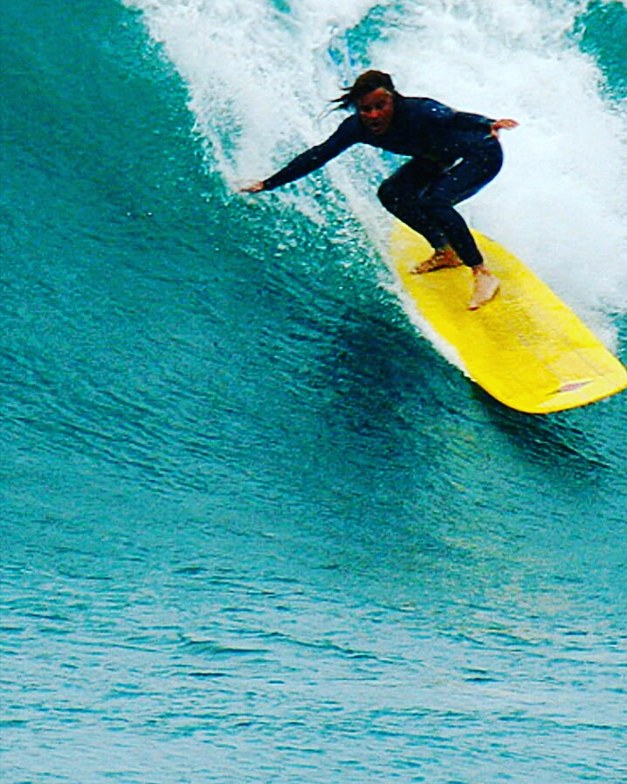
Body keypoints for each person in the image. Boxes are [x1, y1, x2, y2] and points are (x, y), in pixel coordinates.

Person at [242, 70, 518, 310]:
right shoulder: (357, 128)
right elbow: (319, 155)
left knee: (435, 201)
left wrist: (488, 123)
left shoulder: (420, 110)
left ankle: (482, 273)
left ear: (393, 100)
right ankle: (446, 250)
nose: (374, 115)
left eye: (381, 105)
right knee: (391, 193)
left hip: (481, 152)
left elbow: (454, 118)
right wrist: (268, 183)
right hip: (437, 156)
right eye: (366, 109)